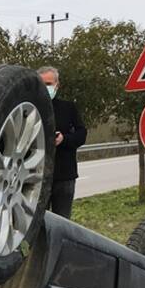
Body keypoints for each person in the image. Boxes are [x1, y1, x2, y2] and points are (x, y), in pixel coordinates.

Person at [37, 66, 87, 218]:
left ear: (57, 85)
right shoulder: (30, 108)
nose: (46, 88)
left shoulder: (68, 107)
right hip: (36, 177)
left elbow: (81, 134)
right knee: (37, 222)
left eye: (49, 84)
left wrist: (64, 139)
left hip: (64, 175)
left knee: (63, 221)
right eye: (42, 84)